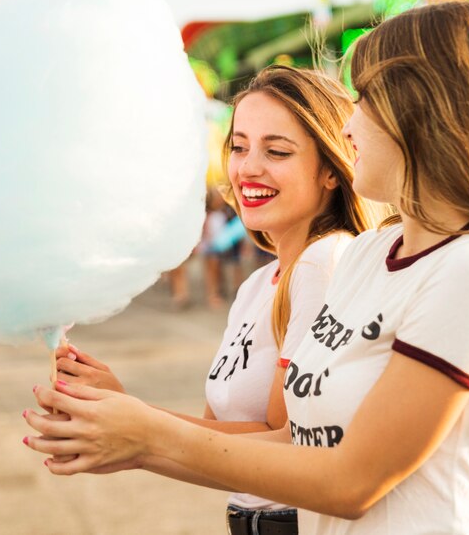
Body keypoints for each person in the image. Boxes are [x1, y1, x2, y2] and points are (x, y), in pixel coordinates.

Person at [24, 1, 469, 534]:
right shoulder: (370, 255)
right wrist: (130, 434)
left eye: (365, 99)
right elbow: (296, 442)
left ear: (421, 111)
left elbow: (353, 481)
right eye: (239, 146)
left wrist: (150, 433)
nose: (348, 126)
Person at [31, 65, 380, 534]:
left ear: (331, 171)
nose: (248, 167)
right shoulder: (257, 287)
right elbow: (215, 454)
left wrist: (141, 428)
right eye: (238, 146)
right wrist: (121, 421)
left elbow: (288, 442)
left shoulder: (323, 264)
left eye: (276, 150)